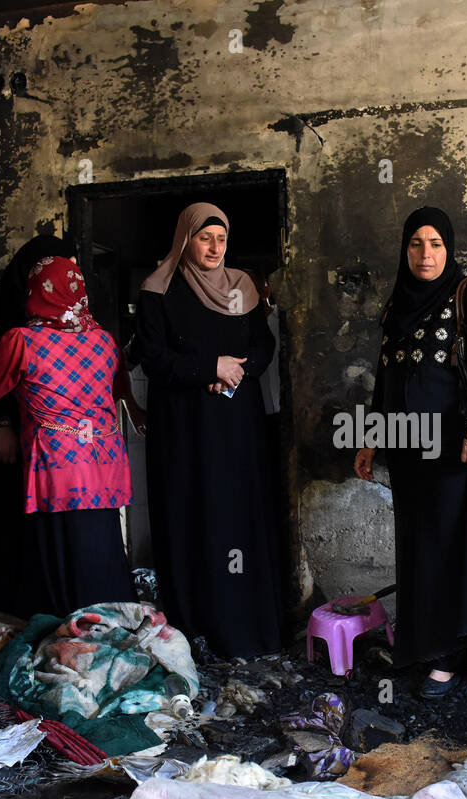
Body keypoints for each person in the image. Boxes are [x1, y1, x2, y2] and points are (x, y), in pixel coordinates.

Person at [354, 206, 467, 698]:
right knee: (417, 548)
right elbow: (387, 377)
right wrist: (371, 436)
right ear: (406, 249)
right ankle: (418, 647)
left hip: (454, 449)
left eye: (436, 243)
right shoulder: (399, 301)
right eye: (416, 243)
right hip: (406, 448)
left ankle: (449, 658)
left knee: (450, 550)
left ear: (449, 248)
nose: (426, 254)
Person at [134, 202, 284, 659]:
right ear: (185, 238)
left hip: (237, 426)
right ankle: (194, 633)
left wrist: (237, 372)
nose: (216, 247)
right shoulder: (158, 289)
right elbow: (153, 358)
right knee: (193, 516)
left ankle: (246, 630)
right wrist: (207, 368)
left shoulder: (243, 288)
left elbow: (264, 344)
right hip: (184, 431)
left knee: (238, 515)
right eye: (205, 237)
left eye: (222, 238)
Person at [0, 255, 142, 616]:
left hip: (58, 463)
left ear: (35, 292)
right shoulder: (105, 341)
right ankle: (114, 625)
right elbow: (117, 388)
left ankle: (70, 633)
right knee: (102, 547)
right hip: (103, 457)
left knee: (60, 554)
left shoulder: (21, 340)